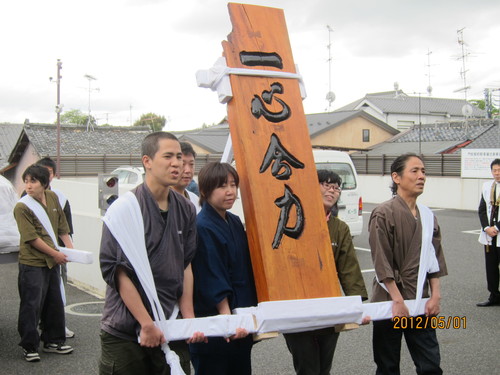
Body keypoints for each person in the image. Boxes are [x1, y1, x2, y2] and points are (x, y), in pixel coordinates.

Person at [99, 132, 204, 375]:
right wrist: (146, 323)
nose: (177, 163)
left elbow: (185, 264)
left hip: (170, 320)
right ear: (147, 161)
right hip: (126, 328)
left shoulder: (186, 208)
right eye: (168, 156)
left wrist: (188, 317)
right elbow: (117, 271)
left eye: (179, 156)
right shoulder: (125, 209)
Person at [368, 153, 448, 375]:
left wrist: (435, 296)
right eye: (415, 171)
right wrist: (397, 299)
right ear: (397, 177)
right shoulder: (383, 213)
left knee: (430, 364)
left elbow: (435, 258)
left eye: (423, 171)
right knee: (388, 365)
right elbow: (380, 261)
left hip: (420, 300)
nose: (421, 176)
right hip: (389, 301)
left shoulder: (428, 215)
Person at [283, 170, 368, 375]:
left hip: (329, 307)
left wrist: (355, 304)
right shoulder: (292, 220)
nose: (332, 191)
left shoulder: (340, 228)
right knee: (307, 367)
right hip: (297, 307)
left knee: (324, 367)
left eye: (336, 187)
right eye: (326, 185)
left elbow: (349, 269)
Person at [189, 162, 258, 375]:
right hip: (218, 320)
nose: (230, 191)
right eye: (221, 186)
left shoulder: (234, 221)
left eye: (233, 184)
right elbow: (212, 275)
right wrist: (226, 318)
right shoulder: (202, 226)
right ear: (204, 191)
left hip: (239, 317)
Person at [13, 164, 74, 362]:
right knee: (32, 304)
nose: (28, 186)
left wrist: (71, 249)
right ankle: (29, 345)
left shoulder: (54, 198)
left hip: (52, 261)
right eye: (26, 181)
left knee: (54, 302)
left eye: (33, 181)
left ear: (45, 184)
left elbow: (62, 226)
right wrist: (55, 254)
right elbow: (31, 238)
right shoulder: (22, 206)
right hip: (33, 262)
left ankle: (53, 341)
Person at [35, 157, 75, 338]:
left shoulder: (59, 197)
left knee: (59, 289)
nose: (44, 176)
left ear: (53, 175)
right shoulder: (28, 197)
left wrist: (70, 249)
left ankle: (58, 326)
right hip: (37, 254)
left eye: (48, 173)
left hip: (58, 254)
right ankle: (38, 329)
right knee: (37, 292)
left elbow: (65, 226)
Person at [477, 158, 500, 306]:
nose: (497, 173)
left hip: (498, 231)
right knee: (490, 266)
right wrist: (487, 228)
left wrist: (497, 228)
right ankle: (494, 295)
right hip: (489, 235)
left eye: (499, 170)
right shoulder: (487, 186)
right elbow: (482, 210)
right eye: (495, 170)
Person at [172, 142, 201, 213]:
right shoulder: (162, 201)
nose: (188, 170)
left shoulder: (195, 199)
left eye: (191, 164)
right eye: (183, 164)